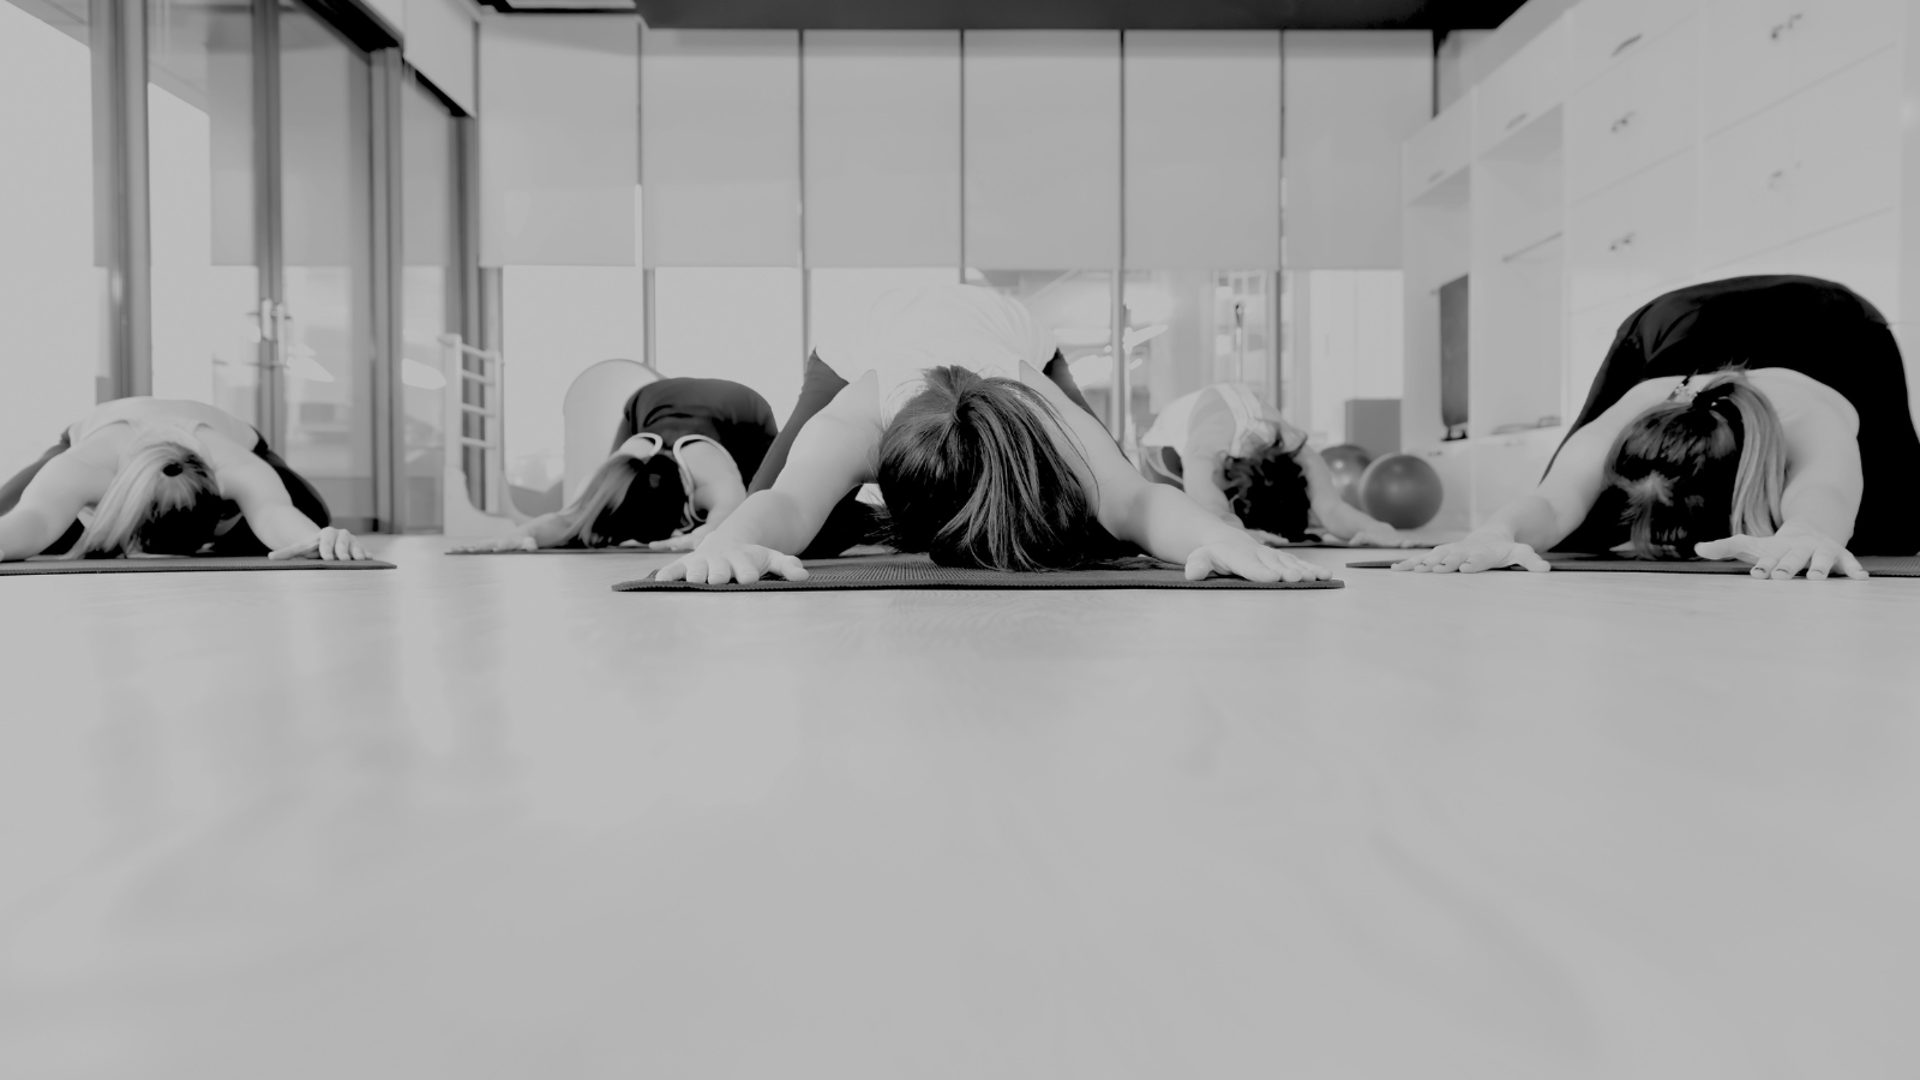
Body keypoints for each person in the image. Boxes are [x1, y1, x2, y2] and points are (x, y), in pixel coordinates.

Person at [656, 283, 1329, 584]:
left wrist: (1220, 538)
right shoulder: (853, 419)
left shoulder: (1041, 409)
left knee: (1105, 494)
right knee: (761, 498)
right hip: (864, 337)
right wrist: (729, 542)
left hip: (1012, 337)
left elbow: (1133, 500)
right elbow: (788, 505)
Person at [1395, 275, 1920, 580]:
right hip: (1672, 322)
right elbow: (1554, 503)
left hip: (1836, 324)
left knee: (1888, 528)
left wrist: (1808, 531)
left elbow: (1825, 491)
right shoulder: (1632, 409)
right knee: (1574, 527)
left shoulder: (1812, 420)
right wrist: (1494, 533)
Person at [0, 397, 367, 562]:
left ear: (220, 501)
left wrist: (318, 539)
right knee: (23, 522)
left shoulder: (236, 467)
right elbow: (35, 517)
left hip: (238, 439)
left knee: (311, 514)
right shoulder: (84, 466)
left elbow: (274, 512)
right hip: (93, 434)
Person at [452, 377, 778, 552]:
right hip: (647, 400)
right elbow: (567, 519)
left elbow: (725, 519)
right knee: (591, 515)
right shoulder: (614, 470)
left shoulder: (710, 475)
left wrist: (705, 534)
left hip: (740, 407)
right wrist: (522, 534)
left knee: (760, 505)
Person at [1136, 381, 1425, 547]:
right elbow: (1213, 513)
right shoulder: (1204, 452)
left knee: (1275, 525)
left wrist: (1377, 529)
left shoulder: (1301, 451)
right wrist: (1240, 534)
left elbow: (1332, 509)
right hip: (1161, 450)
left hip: (1230, 439)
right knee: (1184, 516)